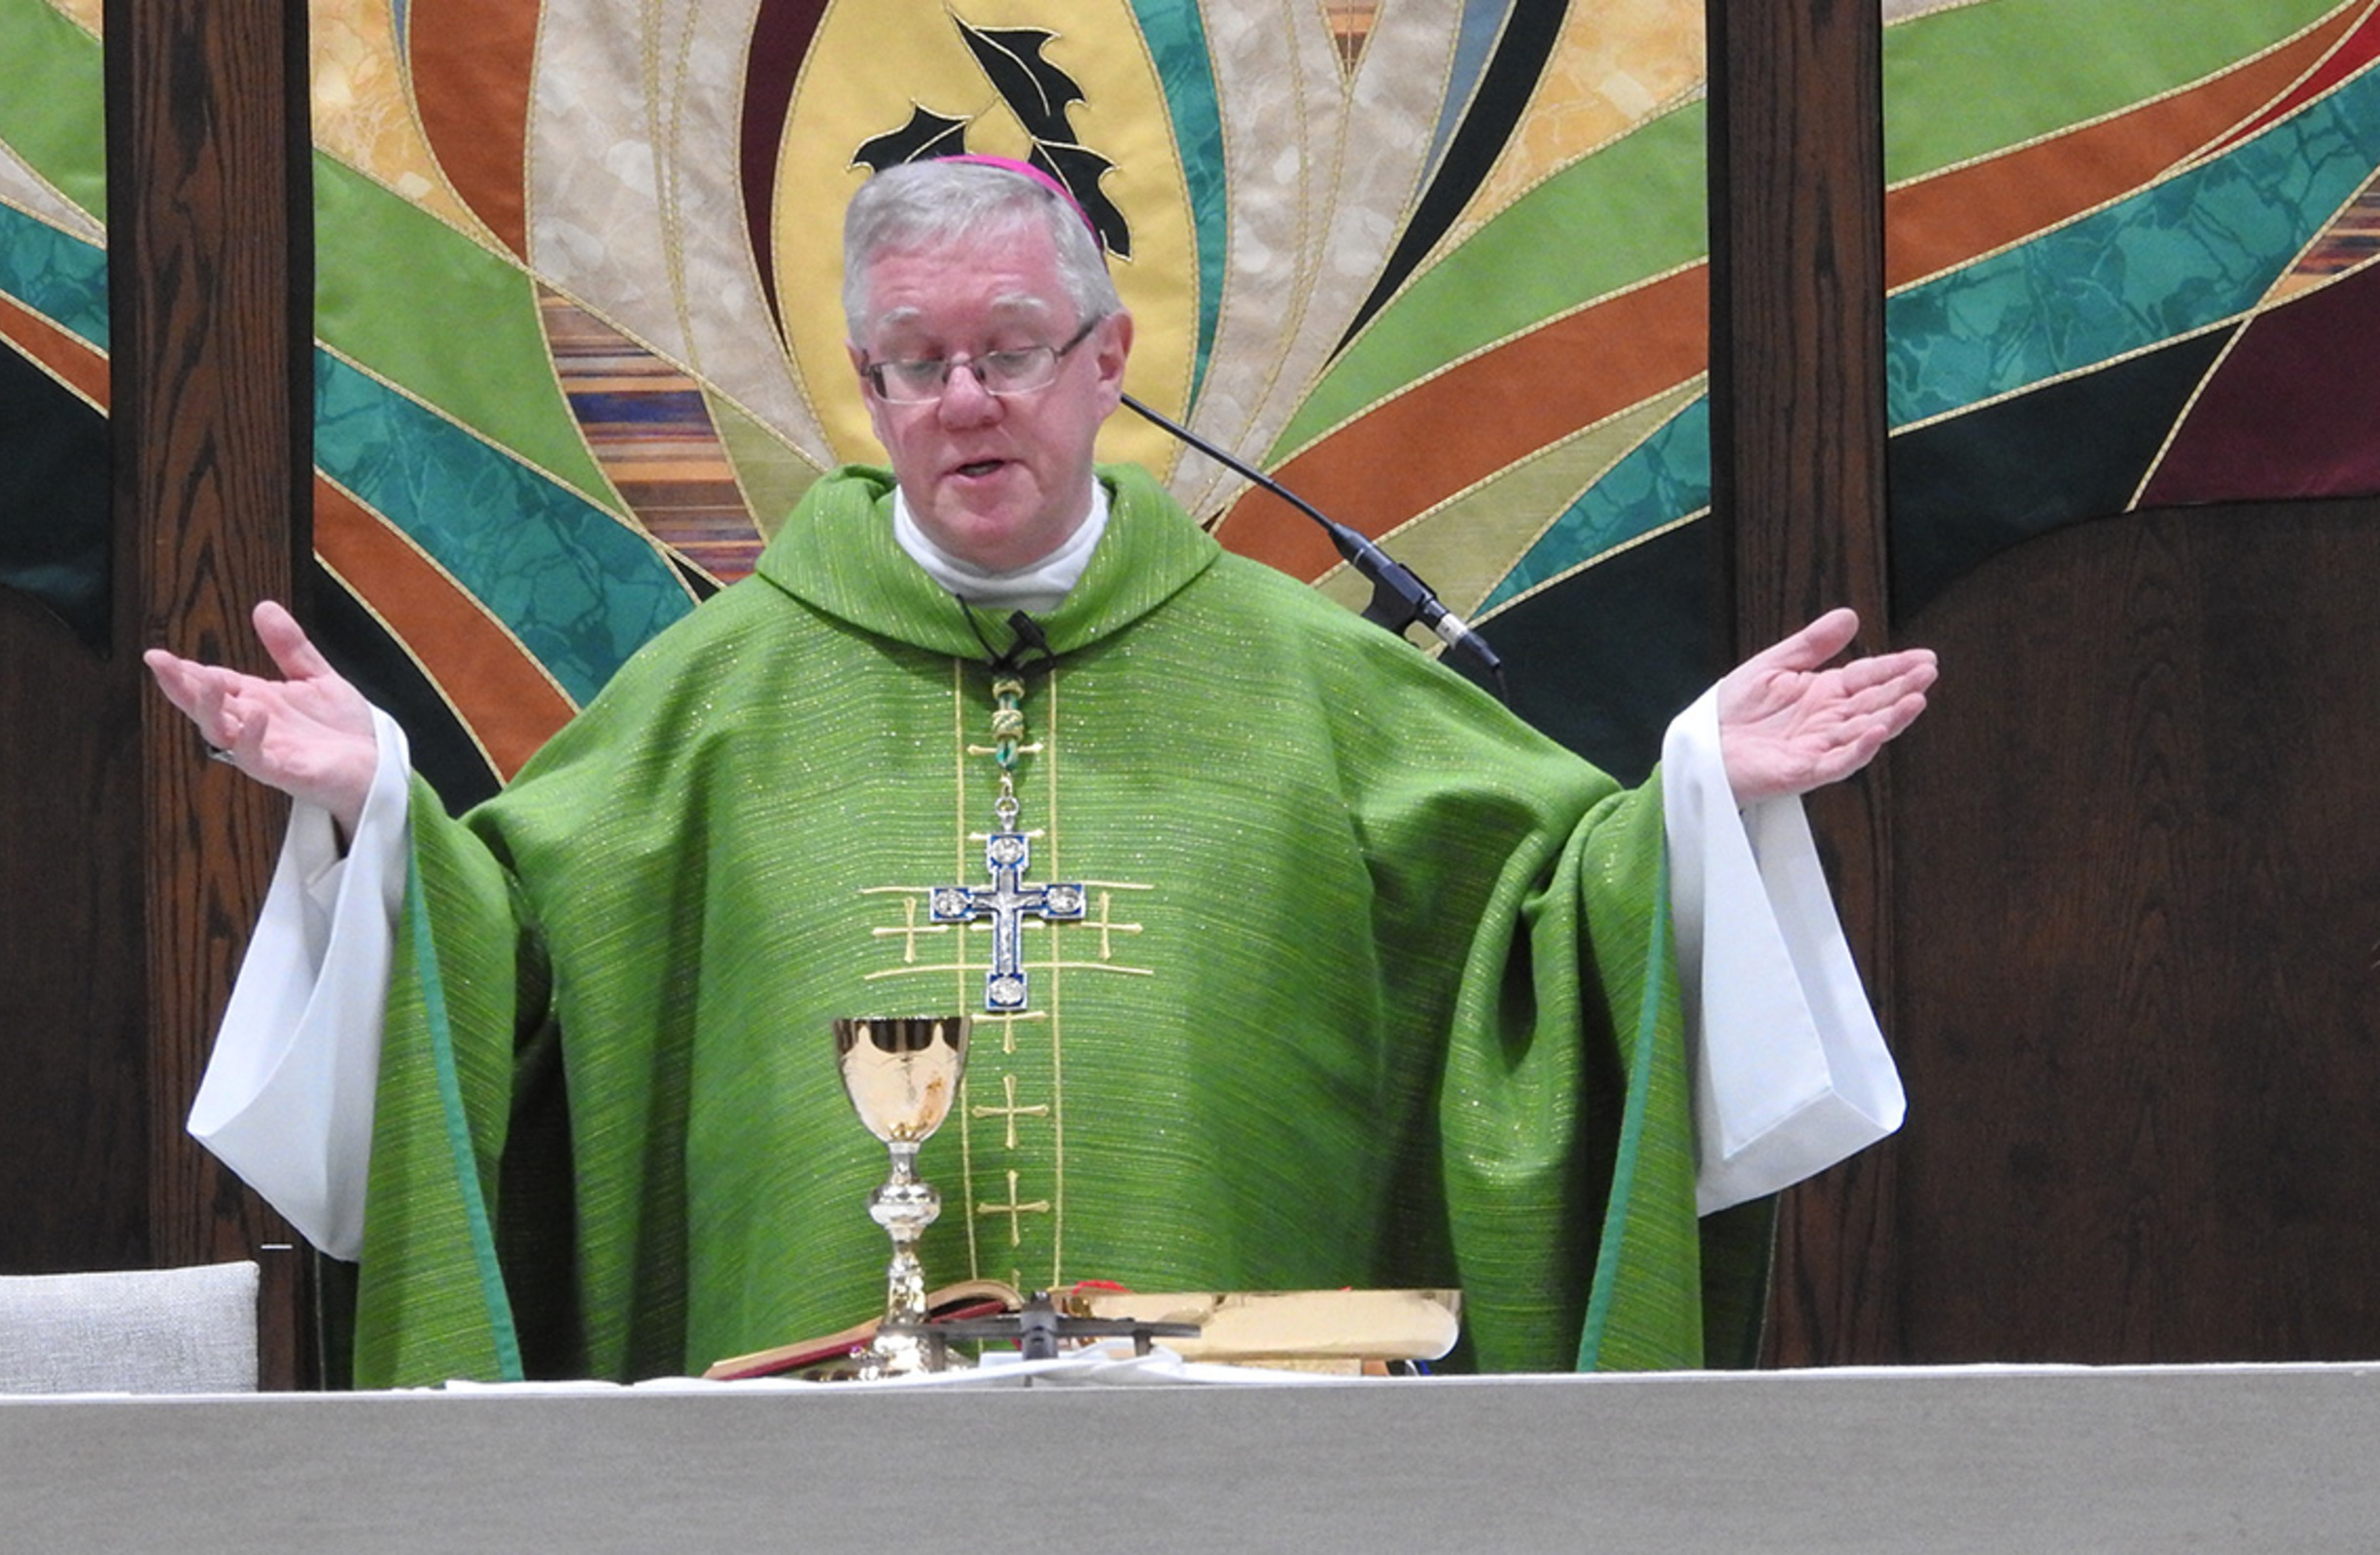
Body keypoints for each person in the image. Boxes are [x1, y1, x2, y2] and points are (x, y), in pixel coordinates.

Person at [148, 159, 1936, 1387]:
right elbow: (526, 958)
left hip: (1238, 1447)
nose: (963, 399)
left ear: (1106, 364)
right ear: (868, 388)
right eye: (912, 364)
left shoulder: (1304, 672)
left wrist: (1693, 798)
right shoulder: (721, 690)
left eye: (1007, 351)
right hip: (807, 1437)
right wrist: (378, 810)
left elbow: (1547, 924)